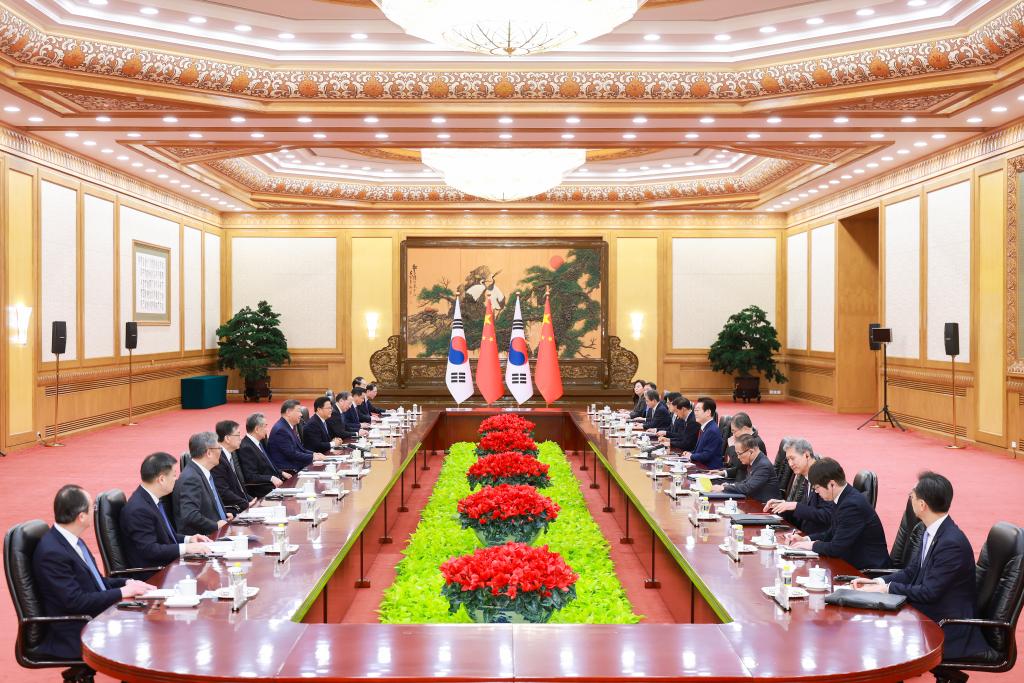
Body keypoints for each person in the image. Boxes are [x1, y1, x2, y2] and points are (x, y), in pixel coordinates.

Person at [852, 472, 987, 659]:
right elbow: (912, 572)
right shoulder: (930, 530)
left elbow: (929, 592)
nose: (910, 499)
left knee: (877, 633)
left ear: (922, 505)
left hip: (947, 626)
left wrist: (886, 589)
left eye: (912, 495)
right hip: (929, 611)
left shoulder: (951, 544)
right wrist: (877, 581)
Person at [32, 485, 154, 675]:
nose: (94, 511)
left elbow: (95, 581)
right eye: (92, 508)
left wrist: (127, 583)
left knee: (147, 622)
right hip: (74, 629)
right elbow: (75, 601)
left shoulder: (70, 540)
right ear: (81, 516)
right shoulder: (52, 553)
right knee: (143, 636)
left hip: (92, 615)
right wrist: (122, 592)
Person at [120, 452, 213, 578]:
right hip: (155, 574)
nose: (176, 479)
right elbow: (150, 550)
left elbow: (164, 536)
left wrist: (189, 539)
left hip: (168, 566)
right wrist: (186, 548)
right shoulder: (139, 509)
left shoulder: (151, 500)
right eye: (174, 475)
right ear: (162, 479)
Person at [789, 457, 890, 570]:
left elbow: (836, 548)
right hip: (850, 562)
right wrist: (806, 539)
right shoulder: (843, 497)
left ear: (832, 484)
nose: (816, 492)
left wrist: (812, 545)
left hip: (867, 570)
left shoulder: (851, 505)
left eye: (817, 488)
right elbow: (832, 533)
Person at [763, 438, 834, 536]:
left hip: (819, 539)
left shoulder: (824, 477)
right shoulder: (807, 476)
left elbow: (828, 515)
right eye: (788, 460)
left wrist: (796, 506)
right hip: (802, 535)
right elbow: (808, 510)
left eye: (792, 458)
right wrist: (785, 506)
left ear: (807, 455)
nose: (790, 464)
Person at [173, 432, 231, 536]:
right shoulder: (191, 478)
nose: (221, 452)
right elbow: (190, 515)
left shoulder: (201, 472)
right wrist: (215, 525)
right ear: (209, 453)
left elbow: (205, 506)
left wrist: (223, 516)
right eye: (219, 448)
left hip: (217, 530)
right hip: (204, 537)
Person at [714, 433, 779, 503]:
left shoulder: (763, 465)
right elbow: (746, 482)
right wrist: (731, 485)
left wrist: (723, 488)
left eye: (739, 454)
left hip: (764, 505)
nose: (738, 457)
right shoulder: (756, 460)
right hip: (753, 500)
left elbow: (748, 487)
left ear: (751, 452)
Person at [237, 413, 289, 498]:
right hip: (263, 489)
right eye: (265, 426)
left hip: (276, 482)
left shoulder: (259, 441)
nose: (267, 430)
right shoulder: (246, 447)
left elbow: (268, 463)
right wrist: (271, 478)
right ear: (257, 429)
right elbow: (251, 476)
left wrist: (281, 472)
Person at [267, 399, 325, 472]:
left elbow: (300, 449)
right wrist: (313, 457)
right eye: (298, 411)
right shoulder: (281, 430)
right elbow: (292, 454)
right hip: (289, 470)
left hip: (295, 464)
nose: (301, 414)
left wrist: (314, 454)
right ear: (288, 412)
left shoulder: (288, 426)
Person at [212, 420, 253, 513]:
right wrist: (245, 503)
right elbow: (223, 491)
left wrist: (250, 500)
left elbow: (238, 486)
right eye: (238, 435)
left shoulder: (230, 454)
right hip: (233, 509)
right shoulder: (218, 459)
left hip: (242, 503)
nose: (240, 438)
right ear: (227, 438)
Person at [722, 413, 766, 479]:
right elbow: (739, 469)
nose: (733, 435)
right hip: (739, 479)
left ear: (745, 429)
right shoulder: (745, 440)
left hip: (746, 482)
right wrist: (723, 472)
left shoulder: (756, 443)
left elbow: (739, 465)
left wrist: (732, 447)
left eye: (734, 431)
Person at [684, 397, 723, 469]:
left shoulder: (712, 430)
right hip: (701, 466)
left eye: (697, 410)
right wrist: (690, 453)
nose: (695, 413)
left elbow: (707, 455)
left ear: (708, 412)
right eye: (695, 410)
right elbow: (700, 450)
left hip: (709, 470)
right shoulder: (705, 427)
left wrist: (691, 456)